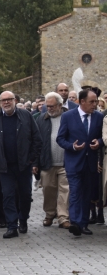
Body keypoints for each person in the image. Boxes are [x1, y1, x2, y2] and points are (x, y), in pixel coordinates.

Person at [0, 91, 42, 239]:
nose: (6, 103)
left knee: (25, 195)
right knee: (8, 195)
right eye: (3, 101)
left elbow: (37, 139)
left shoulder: (25, 115)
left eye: (9, 100)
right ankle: (11, 226)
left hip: (23, 164)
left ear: (15, 100)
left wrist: (32, 159)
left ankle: (23, 219)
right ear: (0, 103)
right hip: (4, 165)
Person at [57, 89, 104, 236]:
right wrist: (72, 146)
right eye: (91, 102)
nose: (95, 104)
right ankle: (76, 223)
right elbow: (60, 138)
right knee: (76, 191)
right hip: (74, 162)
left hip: (91, 163)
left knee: (87, 194)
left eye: (96, 101)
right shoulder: (68, 116)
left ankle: (83, 224)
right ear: (82, 101)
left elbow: (103, 136)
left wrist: (100, 142)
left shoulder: (98, 117)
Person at [36, 92, 70, 229]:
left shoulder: (69, 117)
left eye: (52, 106)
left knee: (65, 191)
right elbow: (36, 142)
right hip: (47, 162)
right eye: (47, 106)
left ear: (60, 105)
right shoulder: (41, 119)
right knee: (48, 190)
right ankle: (50, 214)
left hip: (65, 162)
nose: (49, 108)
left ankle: (63, 217)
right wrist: (35, 162)